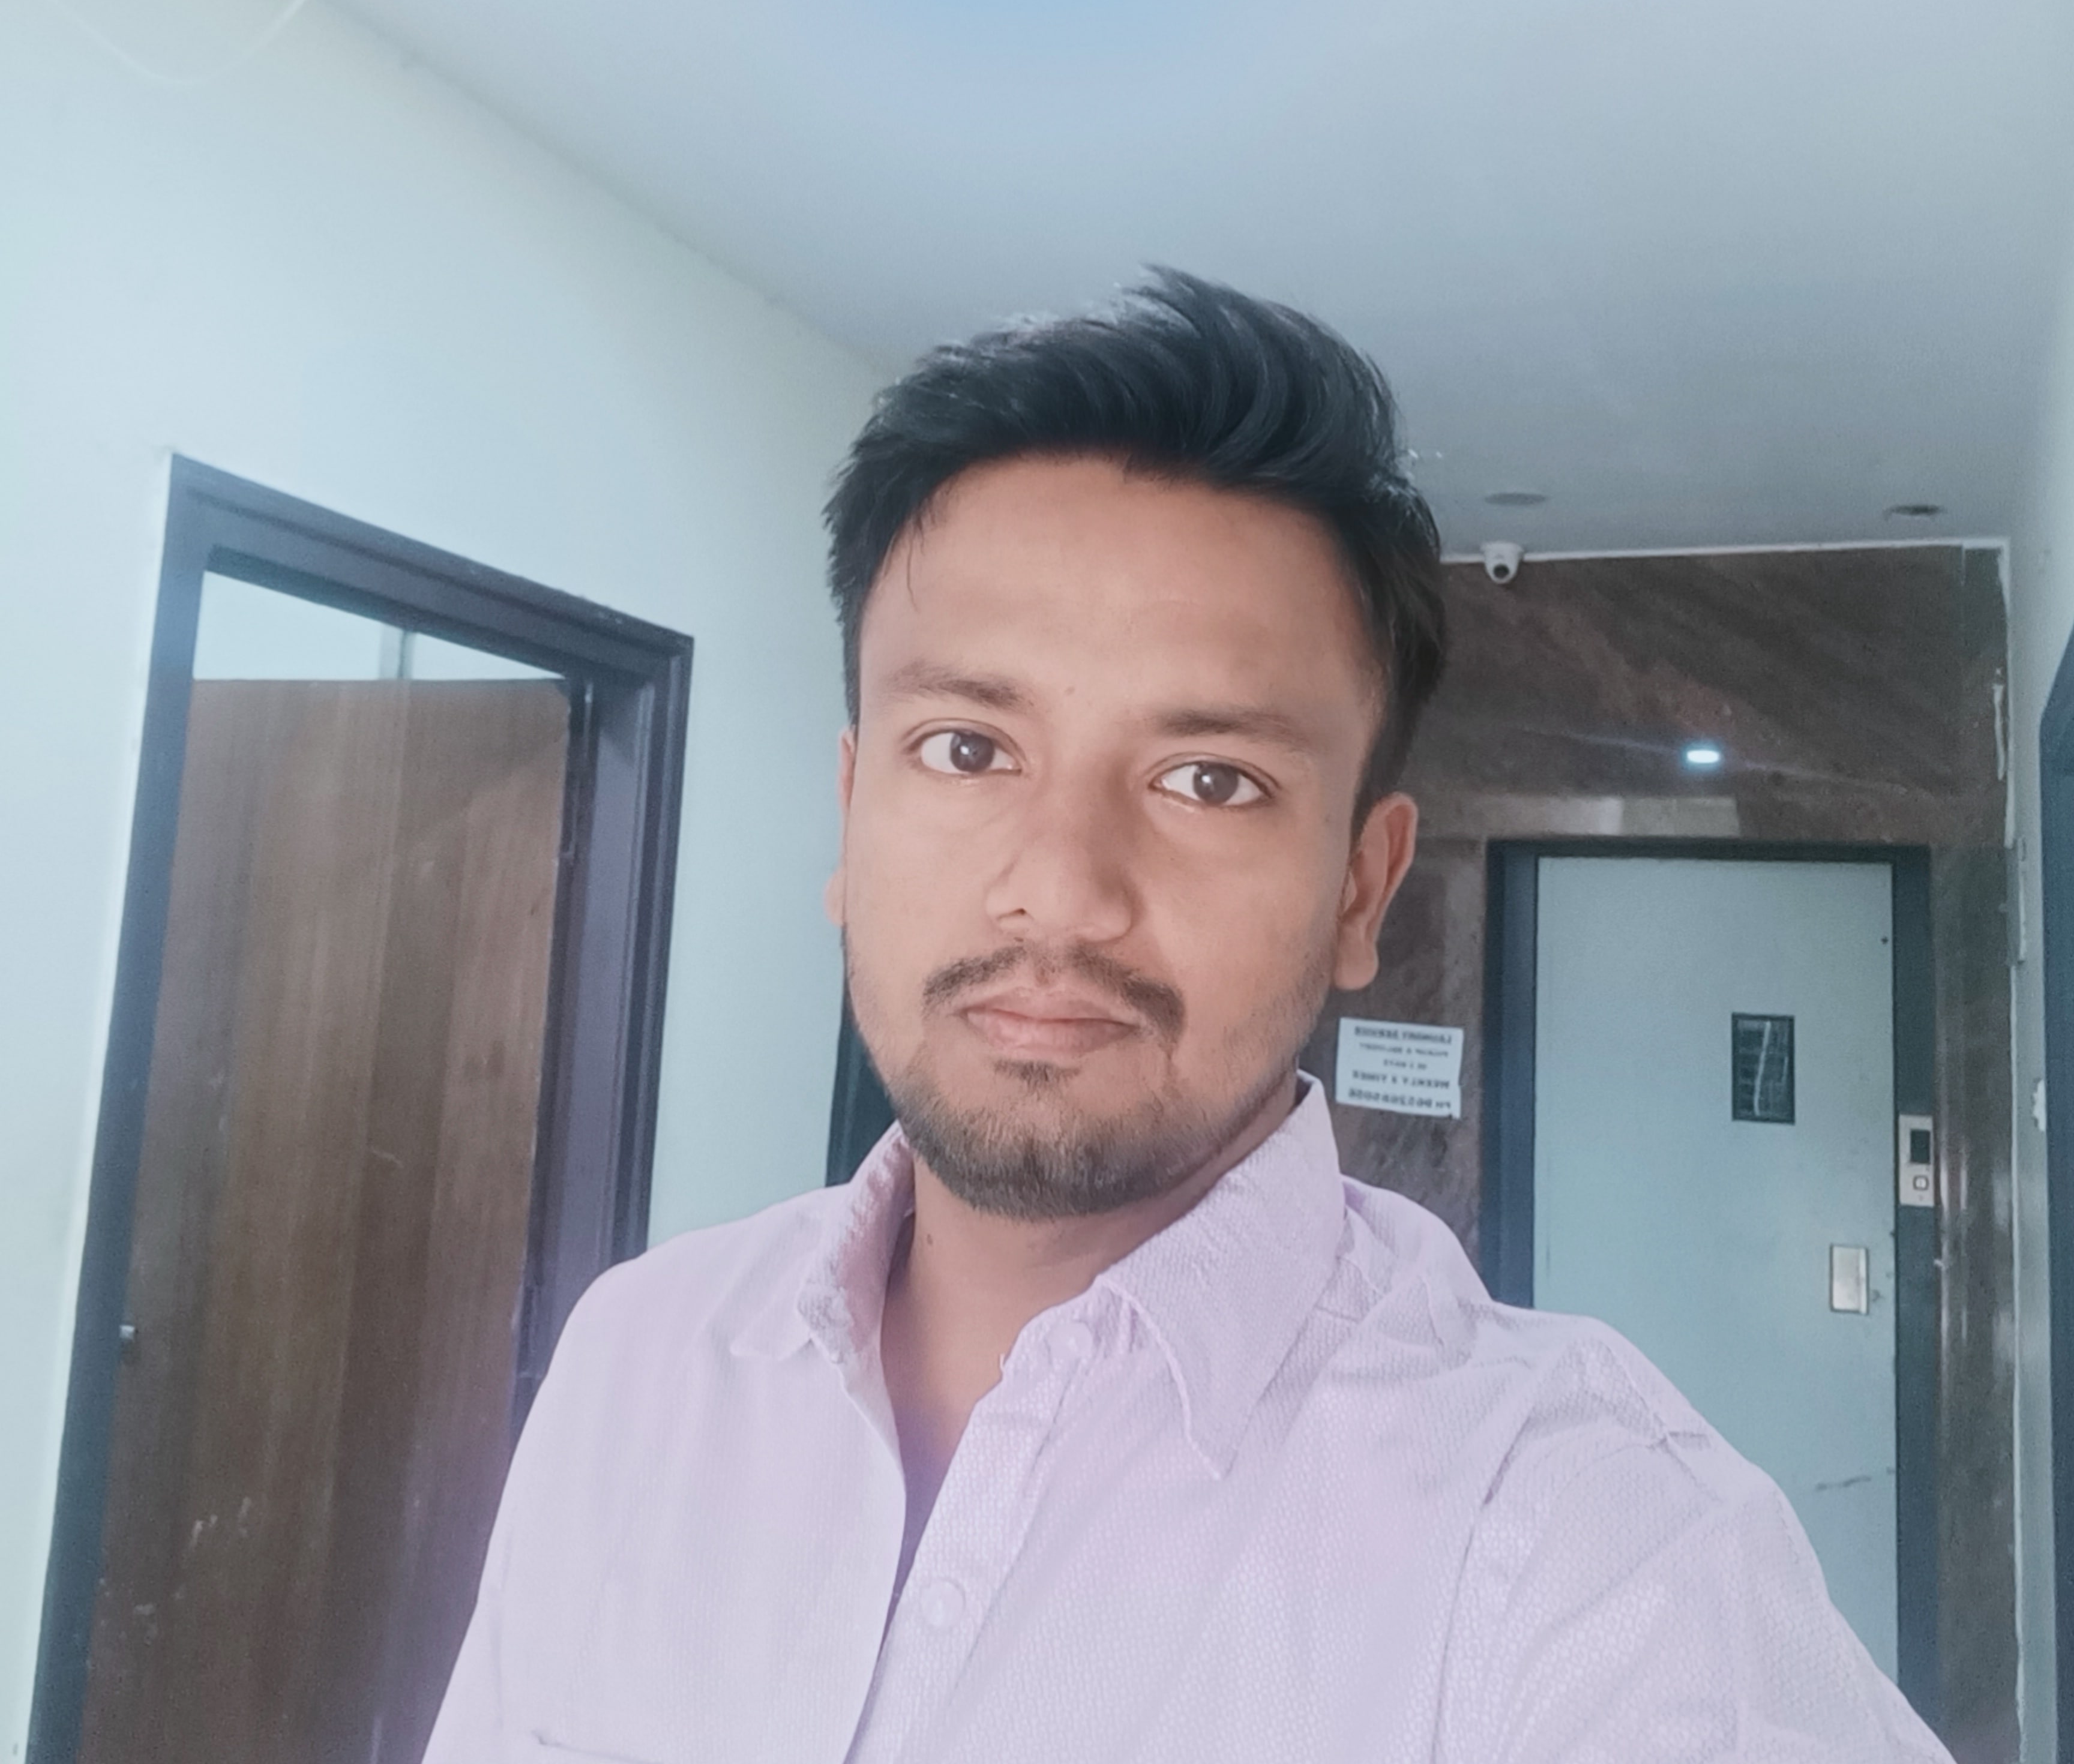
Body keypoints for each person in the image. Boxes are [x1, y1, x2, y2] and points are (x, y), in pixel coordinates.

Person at [424, 272, 1947, 1762]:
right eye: (965, 748)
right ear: (851, 809)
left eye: (1209, 780)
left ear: (1361, 889)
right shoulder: (645, 1356)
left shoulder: (1585, 1543)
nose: (1061, 891)